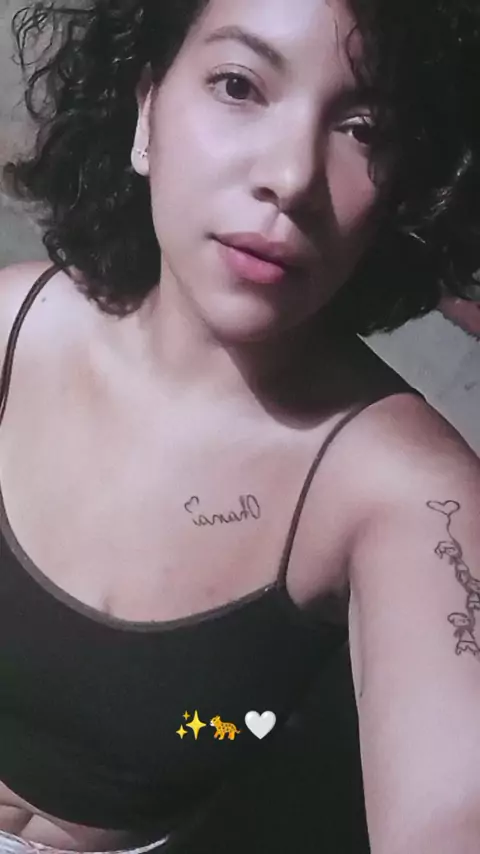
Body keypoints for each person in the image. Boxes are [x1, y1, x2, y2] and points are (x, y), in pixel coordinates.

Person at [0, 0, 479, 851]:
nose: (292, 177)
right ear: (146, 109)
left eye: (362, 129)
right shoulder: (11, 330)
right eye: (238, 85)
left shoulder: (407, 491)